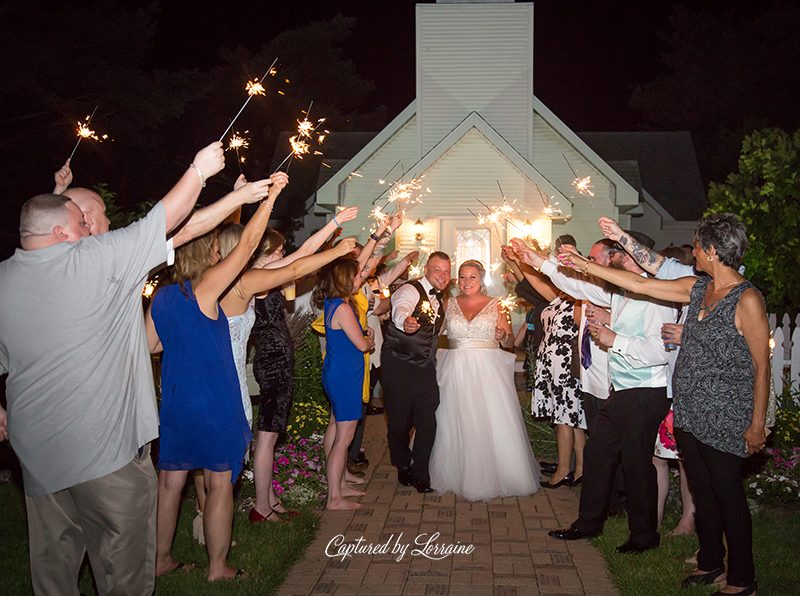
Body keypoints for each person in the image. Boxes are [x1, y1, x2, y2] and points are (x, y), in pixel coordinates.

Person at [0, 141, 224, 595]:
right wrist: (199, 170)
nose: (88, 229)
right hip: (106, 455)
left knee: (54, 570)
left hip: (39, 457)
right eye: (80, 223)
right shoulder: (93, 260)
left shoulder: (6, 278)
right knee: (123, 573)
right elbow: (164, 219)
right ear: (63, 233)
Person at [560, 213, 768, 596]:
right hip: (689, 410)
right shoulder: (698, 289)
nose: (693, 255)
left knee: (728, 496)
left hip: (725, 415)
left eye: (698, 248)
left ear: (711, 251)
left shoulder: (747, 299)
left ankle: (742, 579)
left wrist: (757, 423)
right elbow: (640, 281)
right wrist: (587, 265)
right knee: (703, 493)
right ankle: (709, 563)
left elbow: (761, 366)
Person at [146, 173, 284, 581]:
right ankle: (218, 566)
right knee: (220, 483)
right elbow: (244, 247)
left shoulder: (164, 296)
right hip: (214, 401)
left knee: (171, 482)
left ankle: (160, 559)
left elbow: (151, 347)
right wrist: (270, 198)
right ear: (207, 256)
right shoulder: (207, 289)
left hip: (175, 400)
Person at [512, 236, 674, 554]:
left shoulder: (656, 297)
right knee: (599, 455)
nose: (610, 263)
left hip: (645, 393)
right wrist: (536, 260)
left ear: (630, 258)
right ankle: (588, 524)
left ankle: (644, 535)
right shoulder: (619, 290)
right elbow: (578, 288)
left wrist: (616, 339)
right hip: (621, 392)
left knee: (637, 464)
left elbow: (660, 352)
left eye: (618, 257)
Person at [216, 209, 359, 523]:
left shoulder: (258, 275)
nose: (282, 254)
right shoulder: (253, 278)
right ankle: (261, 506)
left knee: (271, 433)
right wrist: (335, 238)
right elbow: (302, 258)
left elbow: (302, 254)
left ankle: (269, 499)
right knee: (266, 435)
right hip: (272, 363)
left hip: (275, 361)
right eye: (276, 250)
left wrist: (333, 226)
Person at [429, 260, 539, 500]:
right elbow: (433, 335)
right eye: (463, 277)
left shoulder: (497, 306)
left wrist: (503, 335)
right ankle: (457, 473)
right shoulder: (449, 304)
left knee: (489, 419)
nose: (467, 282)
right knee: (455, 419)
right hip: (456, 370)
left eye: (473, 277)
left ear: (482, 280)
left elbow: (510, 342)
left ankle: (498, 473)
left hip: (487, 372)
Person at [381, 251, 451, 493]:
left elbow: (438, 333)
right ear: (426, 270)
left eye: (446, 271)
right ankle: (402, 463)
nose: (442, 276)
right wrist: (405, 322)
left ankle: (422, 473)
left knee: (427, 419)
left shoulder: (441, 301)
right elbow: (400, 309)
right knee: (399, 422)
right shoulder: (409, 290)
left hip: (424, 367)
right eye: (437, 270)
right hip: (398, 365)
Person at [313, 259, 375, 510]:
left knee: (335, 427)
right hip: (345, 376)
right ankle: (334, 498)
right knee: (345, 436)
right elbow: (361, 345)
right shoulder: (344, 309)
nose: (360, 278)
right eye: (357, 275)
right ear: (345, 280)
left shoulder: (333, 303)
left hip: (338, 371)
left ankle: (338, 484)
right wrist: (369, 339)